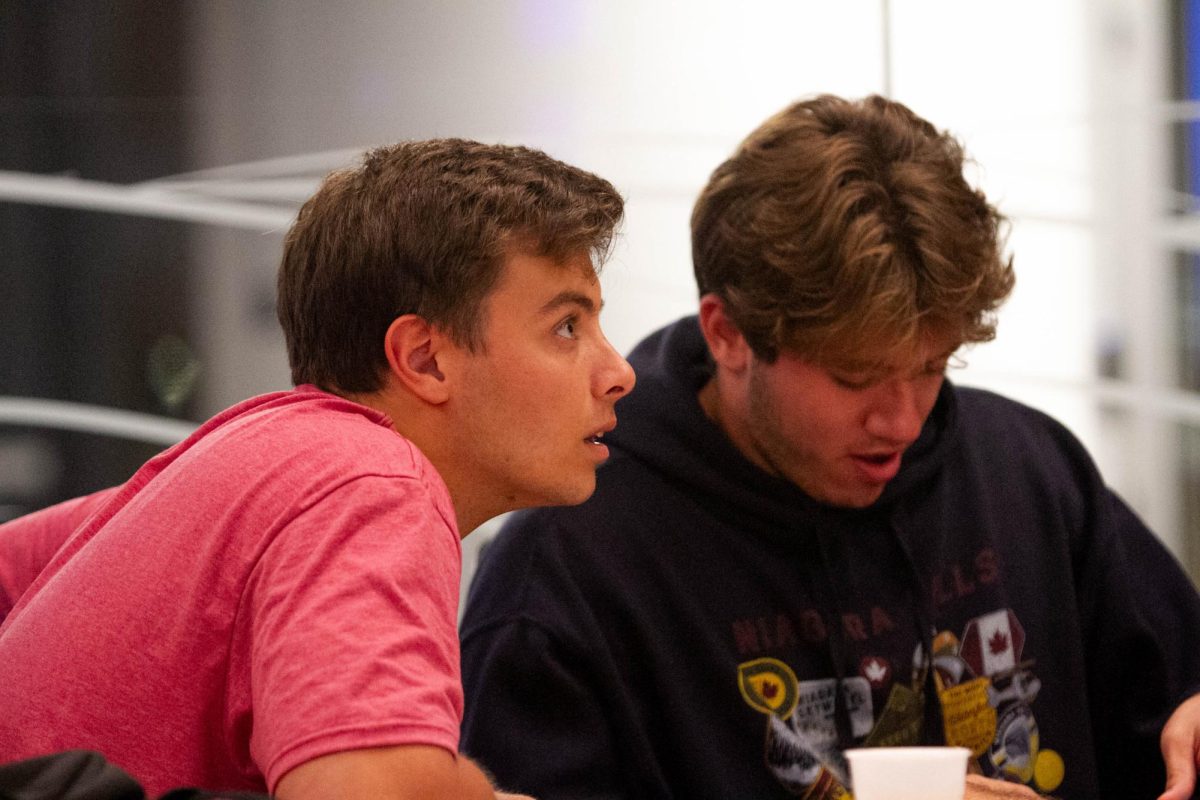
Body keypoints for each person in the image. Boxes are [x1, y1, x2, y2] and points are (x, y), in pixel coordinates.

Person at [458, 95, 1200, 800]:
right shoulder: (570, 564)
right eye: (856, 378)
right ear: (728, 335)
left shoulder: (1029, 473)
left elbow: (1176, 699)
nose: (904, 421)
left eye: (931, 368)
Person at [0, 138, 635, 799]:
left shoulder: (256, 452)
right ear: (424, 360)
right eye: (566, 327)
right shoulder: (370, 481)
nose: (618, 372)